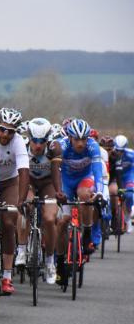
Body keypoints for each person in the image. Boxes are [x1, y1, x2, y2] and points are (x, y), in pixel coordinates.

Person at [0, 107, 29, 295]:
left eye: (10, 131)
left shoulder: (17, 142)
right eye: (2, 129)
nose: (5, 134)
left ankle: (7, 276)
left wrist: (22, 200)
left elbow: (24, 171)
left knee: (9, 222)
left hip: (9, 183)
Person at [53, 119, 104, 282]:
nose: (81, 143)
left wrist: (100, 193)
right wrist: (57, 191)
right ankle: (60, 263)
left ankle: (87, 234)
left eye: (84, 139)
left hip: (84, 180)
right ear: (69, 137)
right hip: (66, 183)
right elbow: (54, 169)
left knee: (85, 195)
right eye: (77, 139)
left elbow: (97, 172)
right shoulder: (62, 145)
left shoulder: (93, 146)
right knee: (63, 222)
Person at [15, 118, 62, 284]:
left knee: (50, 219)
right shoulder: (21, 146)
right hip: (29, 183)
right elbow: (21, 174)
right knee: (24, 206)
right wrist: (21, 199)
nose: (38, 145)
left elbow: (56, 173)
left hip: (48, 183)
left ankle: (50, 262)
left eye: (42, 141)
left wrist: (59, 192)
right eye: (34, 141)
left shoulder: (54, 148)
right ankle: (21, 249)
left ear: (48, 140)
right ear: (29, 138)